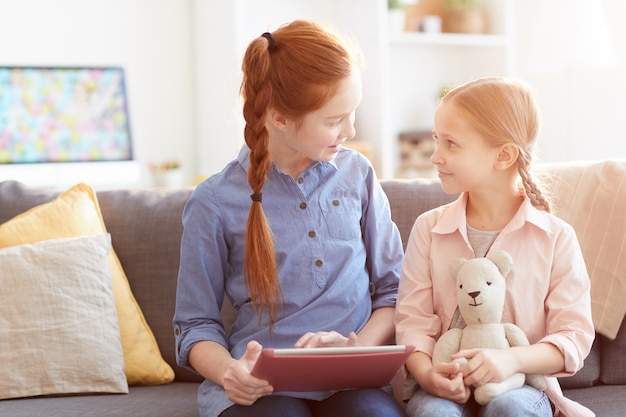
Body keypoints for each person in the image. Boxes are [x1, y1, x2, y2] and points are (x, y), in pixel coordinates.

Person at [173, 20, 406, 417]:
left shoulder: (358, 176)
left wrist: (359, 347)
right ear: (279, 117)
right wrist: (231, 372)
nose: (350, 130)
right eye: (334, 120)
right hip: (262, 393)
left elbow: (393, 291)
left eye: (352, 114)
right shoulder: (214, 200)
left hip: (350, 384)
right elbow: (195, 325)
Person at [394, 76, 595, 417]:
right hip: (441, 388)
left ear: (503, 155)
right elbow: (413, 322)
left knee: (510, 409)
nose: (435, 157)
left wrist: (509, 360)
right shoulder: (428, 229)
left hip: (519, 385)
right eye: (436, 141)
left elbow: (573, 336)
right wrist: (428, 374)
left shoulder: (555, 237)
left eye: (451, 144)